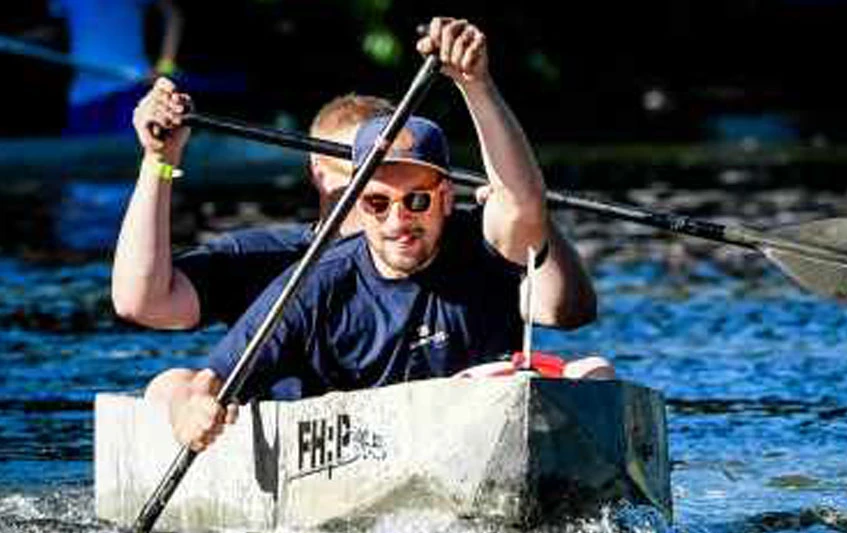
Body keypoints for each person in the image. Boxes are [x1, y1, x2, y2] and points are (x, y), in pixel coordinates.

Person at [150, 17, 608, 451]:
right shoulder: (317, 280)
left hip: (479, 426)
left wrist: (475, 84)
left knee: (594, 373)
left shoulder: (481, 245)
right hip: (359, 448)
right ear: (356, 204)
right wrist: (195, 408)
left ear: (447, 197)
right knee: (170, 386)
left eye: (417, 201)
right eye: (377, 202)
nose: (397, 220)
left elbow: (523, 202)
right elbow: (211, 378)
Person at [112, 82, 393, 330]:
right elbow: (141, 303)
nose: (385, 185)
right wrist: (159, 159)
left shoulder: (429, 254)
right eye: (366, 169)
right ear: (319, 173)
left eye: (399, 172)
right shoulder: (264, 258)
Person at [50, 0, 183, 135]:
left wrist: (165, 66)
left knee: (136, 153)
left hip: (130, 90)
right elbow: (54, 30)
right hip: (83, 97)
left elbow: (172, 15)